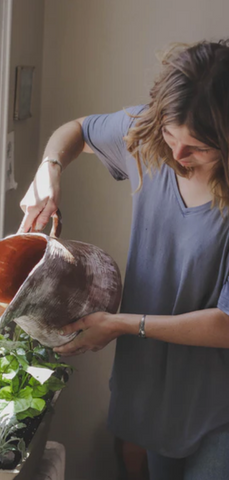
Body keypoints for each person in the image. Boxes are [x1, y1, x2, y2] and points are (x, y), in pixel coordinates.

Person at [17, 40, 229, 480]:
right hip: (155, 397)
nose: (178, 155)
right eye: (172, 137)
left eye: (199, 148)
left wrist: (120, 324)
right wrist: (50, 167)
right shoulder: (147, 134)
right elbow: (77, 130)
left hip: (219, 406)